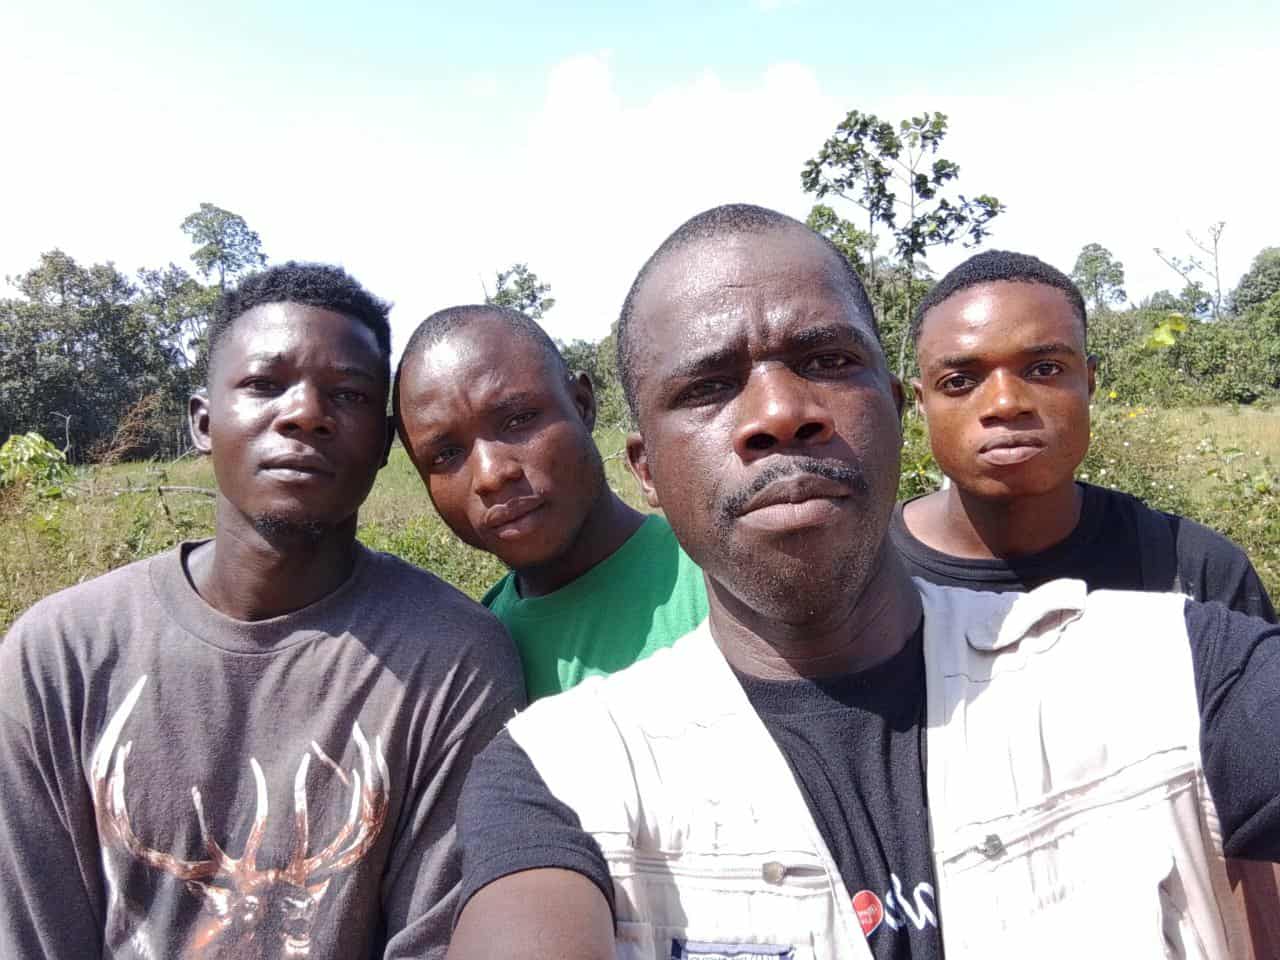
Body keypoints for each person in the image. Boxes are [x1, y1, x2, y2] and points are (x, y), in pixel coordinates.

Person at [446, 205, 1280, 960]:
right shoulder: (559, 776)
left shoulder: (1178, 669)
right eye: (706, 387)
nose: (779, 411)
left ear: (892, 406)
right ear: (647, 472)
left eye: (826, 359)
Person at [0, 263, 524, 959]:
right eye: (263, 385)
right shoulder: (59, 655)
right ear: (202, 421)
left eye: (347, 393)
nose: (305, 413)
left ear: (382, 444)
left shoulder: (454, 661)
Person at [894, 250, 1278, 956]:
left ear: (1090, 381)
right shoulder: (872, 583)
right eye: (960, 380)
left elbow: (1256, 848)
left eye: (1043, 369)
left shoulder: (1193, 571)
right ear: (918, 402)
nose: (1005, 402)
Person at [394, 305, 707, 701]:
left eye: (518, 419)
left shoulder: (715, 577)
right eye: (446, 455)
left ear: (582, 405)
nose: (491, 475)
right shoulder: (477, 651)